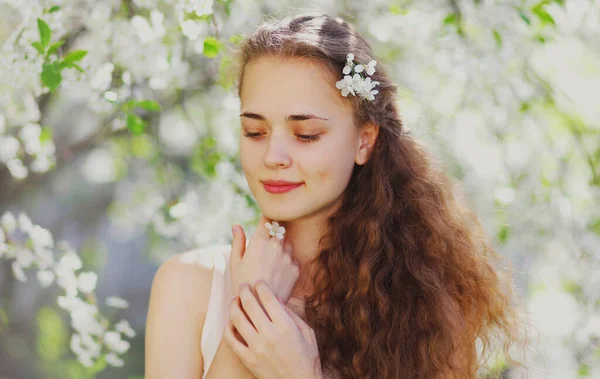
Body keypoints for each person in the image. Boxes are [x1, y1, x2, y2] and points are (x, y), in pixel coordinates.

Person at [145, 12, 527, 379]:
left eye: (306, 134)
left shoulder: (424, 306)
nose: (273, 158)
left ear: (364, 141)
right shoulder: (188, 285)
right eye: (255, 133)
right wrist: (253, 306)